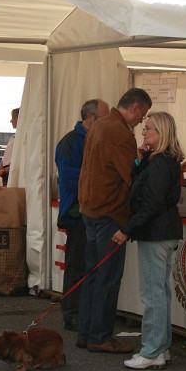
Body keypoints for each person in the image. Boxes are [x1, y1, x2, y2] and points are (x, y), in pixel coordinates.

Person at [76, 87, 152, 354]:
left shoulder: (99, 125)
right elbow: (130, 176)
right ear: (135, 108)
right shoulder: (120, 133)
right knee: (107, 279)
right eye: (142, 116)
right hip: (109, 212)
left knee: (93, 275)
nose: (141, 121)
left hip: (90, 209)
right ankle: (100, 336)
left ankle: (86, 332)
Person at [111, 112, 185, 370]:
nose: (144, 132)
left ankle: (152, 350)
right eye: (144, 128)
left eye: (149, 129)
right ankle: (160, 348)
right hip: (162, 232)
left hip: (156, 233)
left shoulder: (161, 163)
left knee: (153, 295)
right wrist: (140, 160)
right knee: (160, 293)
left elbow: (150, 203)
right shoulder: (162, 160)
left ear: (162, 132)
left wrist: (126, 229)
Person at [55, 98, 109, 331]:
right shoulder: (70, 142)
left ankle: (87, 311)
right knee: (77, 264)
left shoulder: (99, 139)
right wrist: (102, 181)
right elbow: (68, 177)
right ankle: (72, 313)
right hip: (77, 213)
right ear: (91, 118)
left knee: (92, 265)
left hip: (96, 211)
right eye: (104, 118)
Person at [0, 107, 18, 185]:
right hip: (4, 171)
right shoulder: (12, 138)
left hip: (11, 172)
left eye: (13, 118)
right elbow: (5, 157)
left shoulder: (22, 139)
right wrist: (0, 170)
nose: (11, 121)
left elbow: (18, 162)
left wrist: (3, 171)